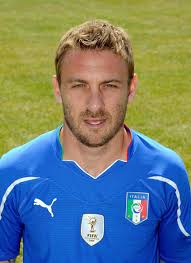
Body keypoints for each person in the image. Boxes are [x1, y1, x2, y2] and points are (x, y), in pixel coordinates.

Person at [0, 20, 191, 263]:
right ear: (58, 89)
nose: (95, 105)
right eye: (79, 85)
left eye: (109, 86)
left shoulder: (165, 175)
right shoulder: (15, 173)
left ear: (131, 88)